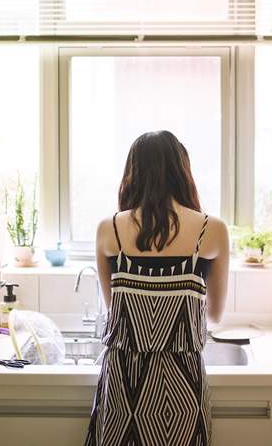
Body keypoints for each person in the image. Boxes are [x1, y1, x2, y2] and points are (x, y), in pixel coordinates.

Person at [85, 130, 230, 446]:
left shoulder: (109, 230)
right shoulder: (212, 230)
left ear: (132, 174)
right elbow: (216, 315)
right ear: (182, 172)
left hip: (124, 383)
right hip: (183, 385)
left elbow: (114, 310)